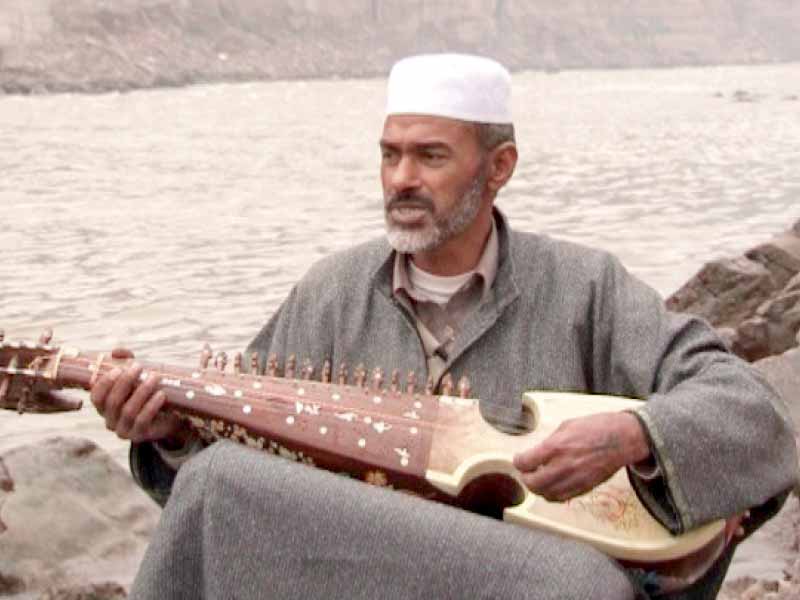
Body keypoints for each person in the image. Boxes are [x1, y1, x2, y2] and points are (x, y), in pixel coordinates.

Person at [90, 54, 798, 600]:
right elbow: (244, 479)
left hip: (524, 583)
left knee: (577, 587)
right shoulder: (332, 292)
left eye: (431, 156)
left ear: (499, 169)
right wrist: (174, 436)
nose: (401, 178)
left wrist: (633, 435)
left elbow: (753, 411)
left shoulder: (584, 288)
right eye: (390, 154)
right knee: (214, 482)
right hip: (357, 575)